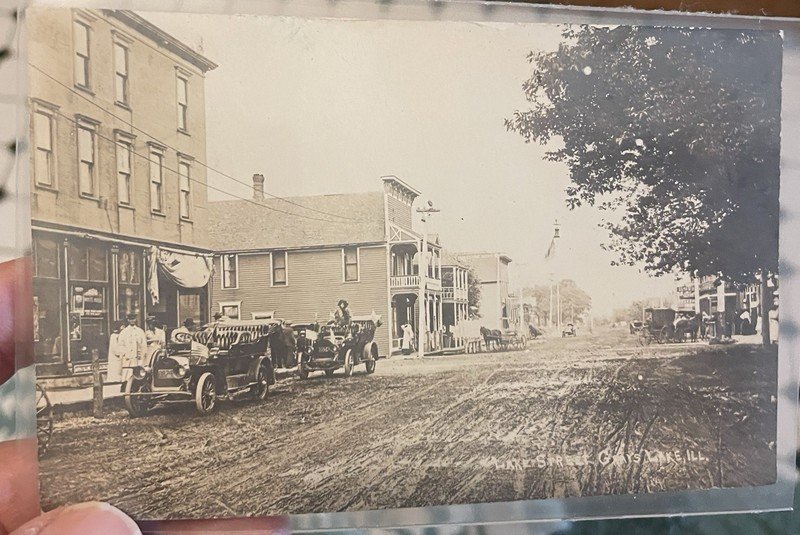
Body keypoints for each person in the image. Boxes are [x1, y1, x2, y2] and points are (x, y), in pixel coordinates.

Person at [117, 313, 147, 383]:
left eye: (133, 319)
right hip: (127, 357)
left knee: (138, 375)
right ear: (128, 320)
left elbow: (144, 345)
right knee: (127, 374)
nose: (132, 321)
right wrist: (124, 353)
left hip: (138, 358)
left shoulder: (140, 331)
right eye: (130, 319)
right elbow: (120, 345)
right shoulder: (124, 332)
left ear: (136, 319)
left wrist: (142, 355)